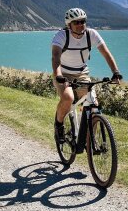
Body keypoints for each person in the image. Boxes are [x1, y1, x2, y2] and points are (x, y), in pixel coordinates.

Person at [51, 8, 122, 142]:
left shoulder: (91, 34)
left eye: (83, 21)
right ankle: (59, 125)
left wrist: (115, 72)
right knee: (68, 97)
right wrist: (58, 75)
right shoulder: (61, 36)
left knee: (94, 107)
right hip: (63, 72)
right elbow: (55, 57)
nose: (80, 25)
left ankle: (90, 142)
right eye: (76, 22)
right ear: (69, 25)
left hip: (82, 73)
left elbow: (106, 53)